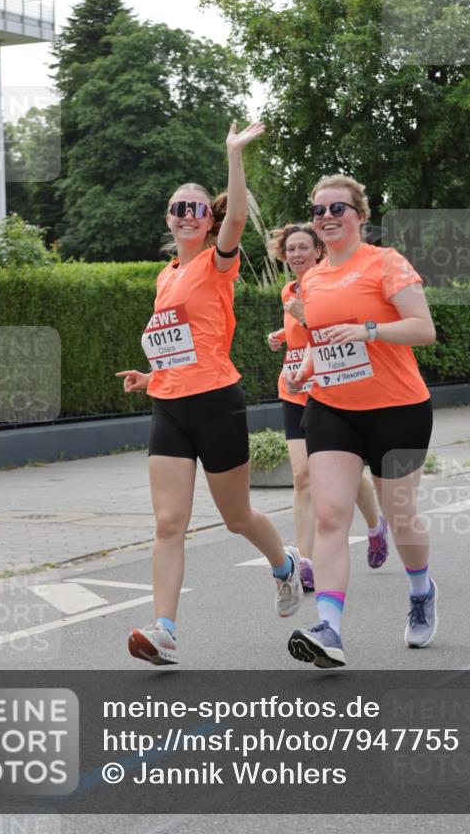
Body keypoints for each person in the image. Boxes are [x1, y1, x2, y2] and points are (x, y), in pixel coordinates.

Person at [116, 122, 301, 666]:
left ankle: (285, 566)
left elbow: (237, 217)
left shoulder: (217, 262)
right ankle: (164, 630)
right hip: (169, 407)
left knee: (237, 518)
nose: (187, 214)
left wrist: (233, 154)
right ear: (169, 218)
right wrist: (151, 376)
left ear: (207, 219)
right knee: (168, 522)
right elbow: (178, 342)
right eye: (178, 208)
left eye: (196, 208)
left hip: (217, 403)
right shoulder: (165, 275)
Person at [285, 174, 437, 668]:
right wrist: (307, 366)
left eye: (338, 209)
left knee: (400, 514)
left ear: (360, 215)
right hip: (332, 407)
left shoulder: (385, 262)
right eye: (318, 211)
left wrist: (369, 330)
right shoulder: (312, 278)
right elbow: (321, 339)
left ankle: (421, 590)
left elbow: (424, 329)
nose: (327, 217)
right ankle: (329, 629)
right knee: (330, 515)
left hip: (398, 408)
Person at [266, 223, 389, 592]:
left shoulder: (333, 284)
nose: (296, 254)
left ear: (319, 251)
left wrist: (305, 315)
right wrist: (282, 335)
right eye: (291, 249)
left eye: (303, 247)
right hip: (293, 388)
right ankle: (306, 563)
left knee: (346, 473)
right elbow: (302, 336)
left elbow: (336, 331)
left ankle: (375, 525)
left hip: (329, 390)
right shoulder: (289, 291)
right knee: (303, 477)